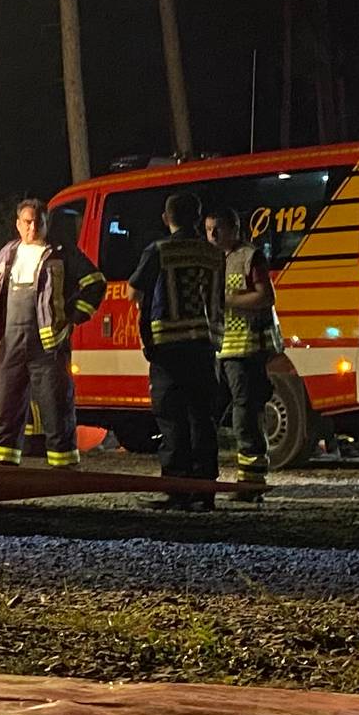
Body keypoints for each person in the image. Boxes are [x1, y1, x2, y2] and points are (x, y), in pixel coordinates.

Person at [0, 199, 107, 468]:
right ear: (18, 225)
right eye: (27, 221)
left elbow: (95, 283)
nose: (33, 227)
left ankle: (63, 463)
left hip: (48, 345)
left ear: (46, 224)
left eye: (38, 221)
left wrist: (72, 317)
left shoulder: (60, 253)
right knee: (6, 403)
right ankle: (1, 460)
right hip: (11, 342)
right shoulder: (7, 255)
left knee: (56, 405)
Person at [130, 192, 227, 510]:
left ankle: (177, 488)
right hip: (204, 346)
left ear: (166, 218)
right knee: (202, 417)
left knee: (172, 418)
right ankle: (205, 490)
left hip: (168, 348)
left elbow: (135, 291)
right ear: (198, 219)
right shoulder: (213, 254)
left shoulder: (160, 249)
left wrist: (148, 340)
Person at [206, 206, 281, 501]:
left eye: (217, 229)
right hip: (220, 348)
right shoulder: (213, 258)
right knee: (214, 412)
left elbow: (265, 296)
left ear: (233, 228)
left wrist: (226, 300)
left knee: (245, 415)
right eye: (208, 229)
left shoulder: (250, 256)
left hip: (246, 348)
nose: (211, 236)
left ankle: (250, 483)